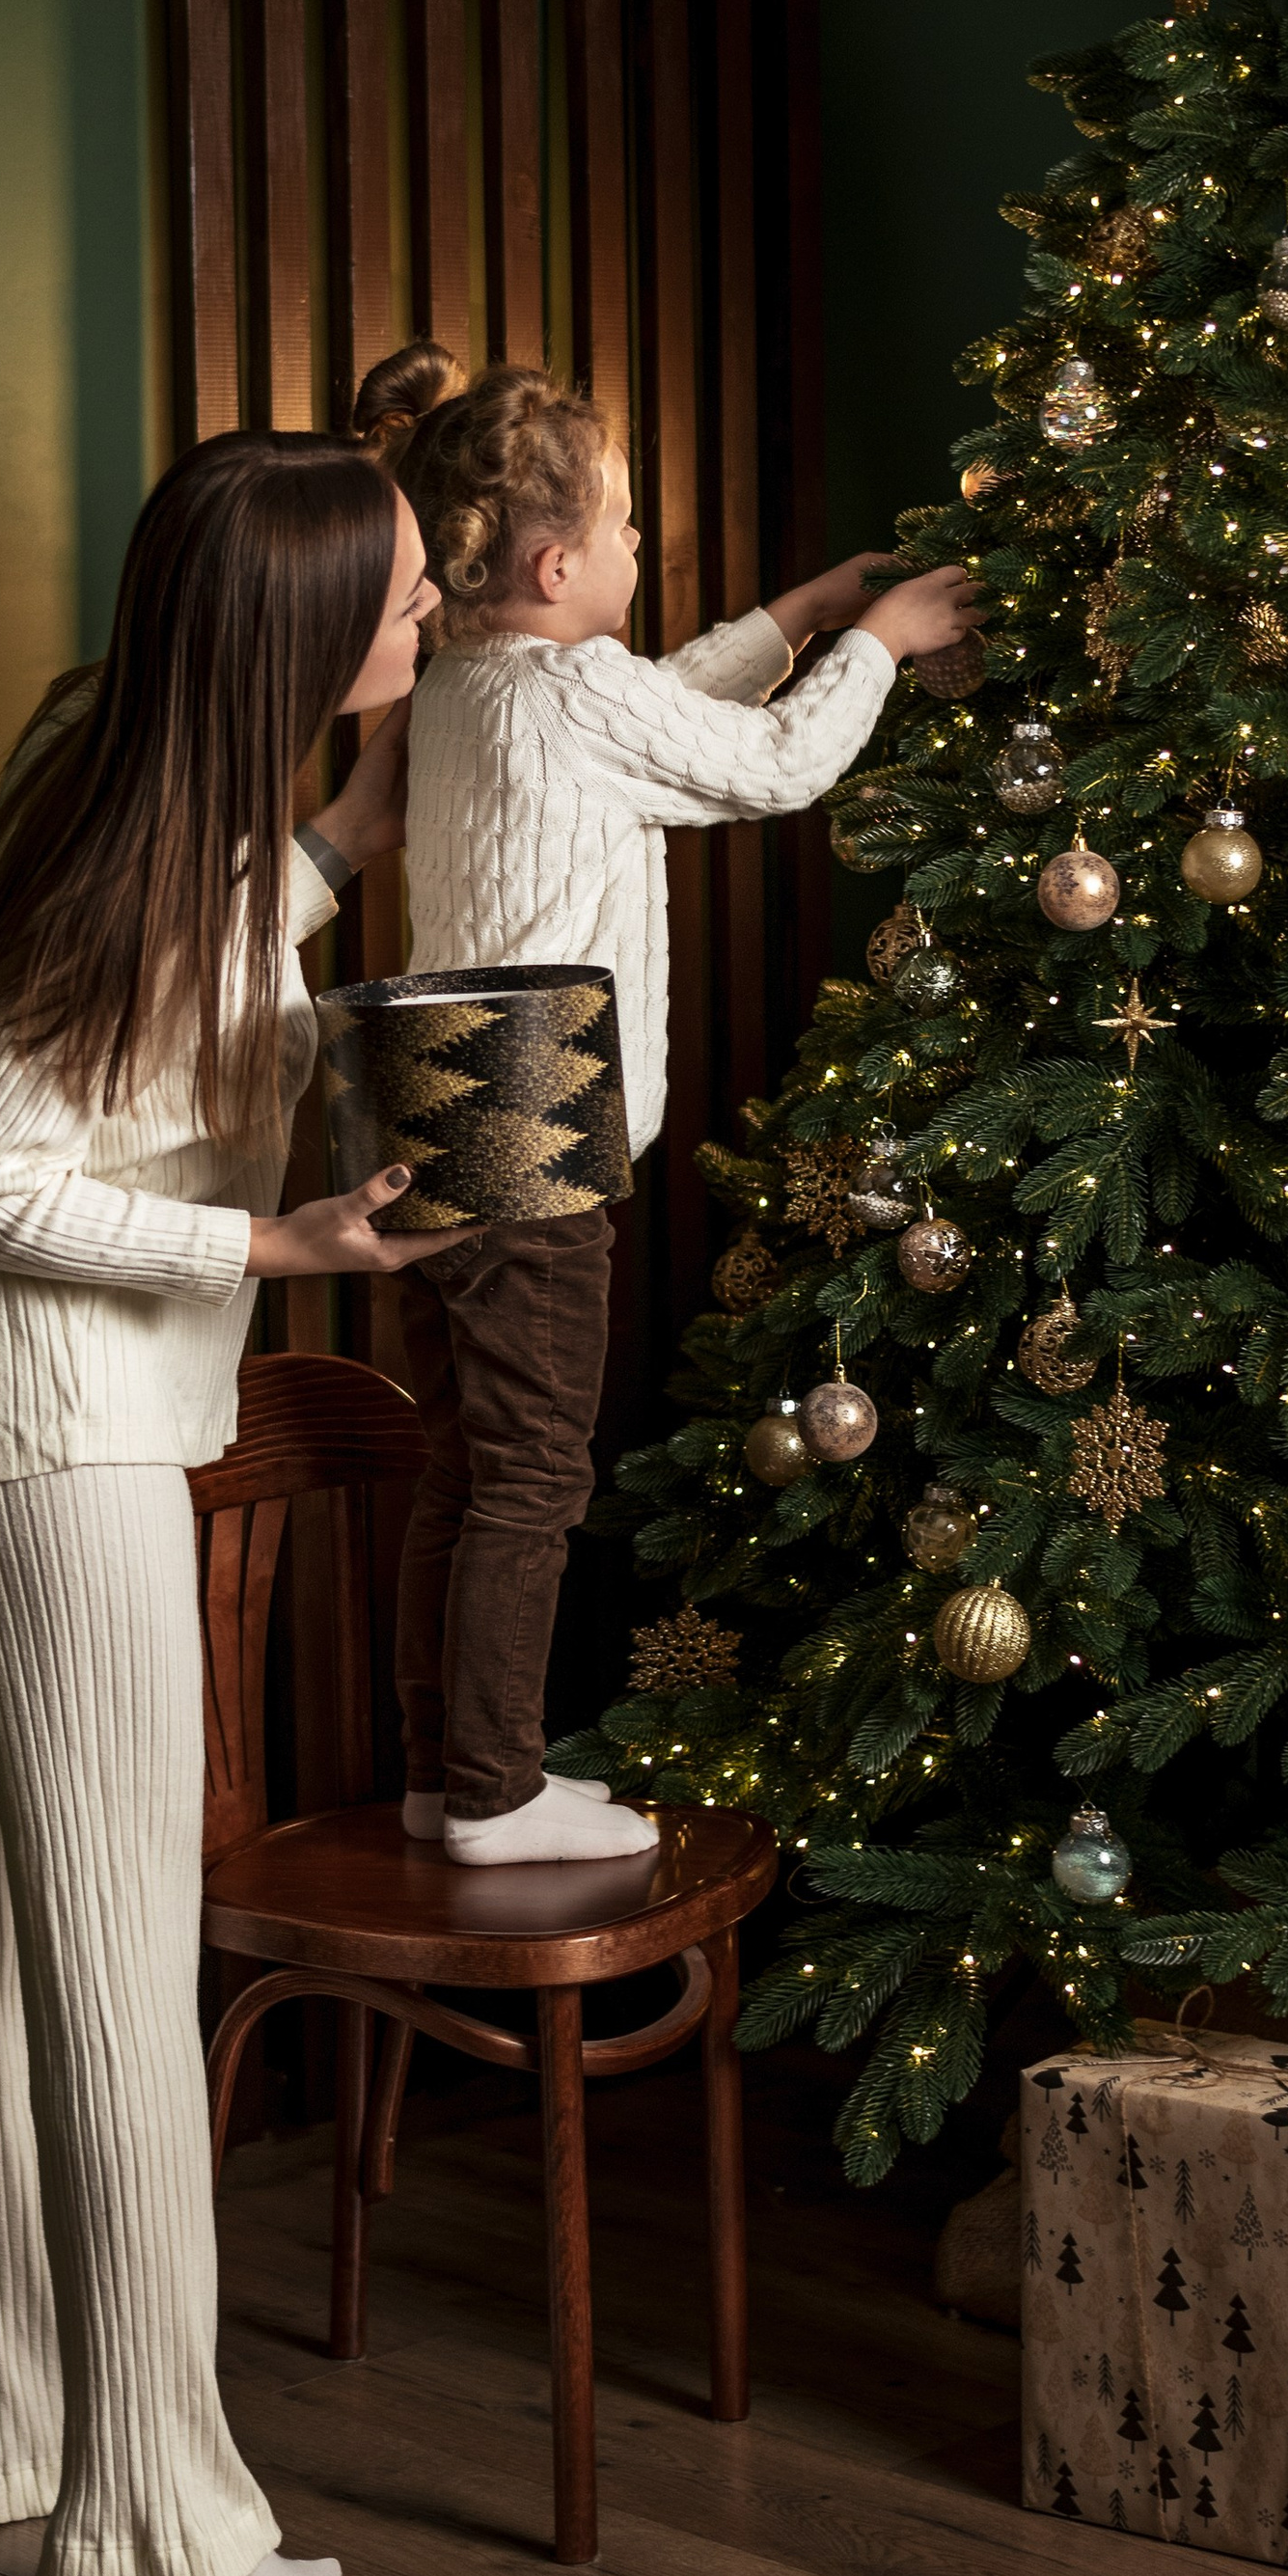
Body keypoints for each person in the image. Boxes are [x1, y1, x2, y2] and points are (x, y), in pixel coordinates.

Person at [0, 435, 465, 2576]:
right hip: (49, 1444)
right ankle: (162, 2511)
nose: (428, 610)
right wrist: (280, 1242)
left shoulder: (97, 754)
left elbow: (168, 959)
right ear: (297, 632)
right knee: (109, 1970)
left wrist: (334, 847)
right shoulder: (163, 864)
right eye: (403, 590)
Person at [386, 361, 980, 1865]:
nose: (642, 550)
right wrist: (878, 642)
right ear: (556, 567)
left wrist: (801, 616)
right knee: (533, 1471)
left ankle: (442, 1770)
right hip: (531, 1093)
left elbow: (662, 706)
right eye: (626, 528)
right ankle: (495, 1793)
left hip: (437, 1082)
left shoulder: (468, 684)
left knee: (465, 1462)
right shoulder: (569, 690)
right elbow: (773, 764)